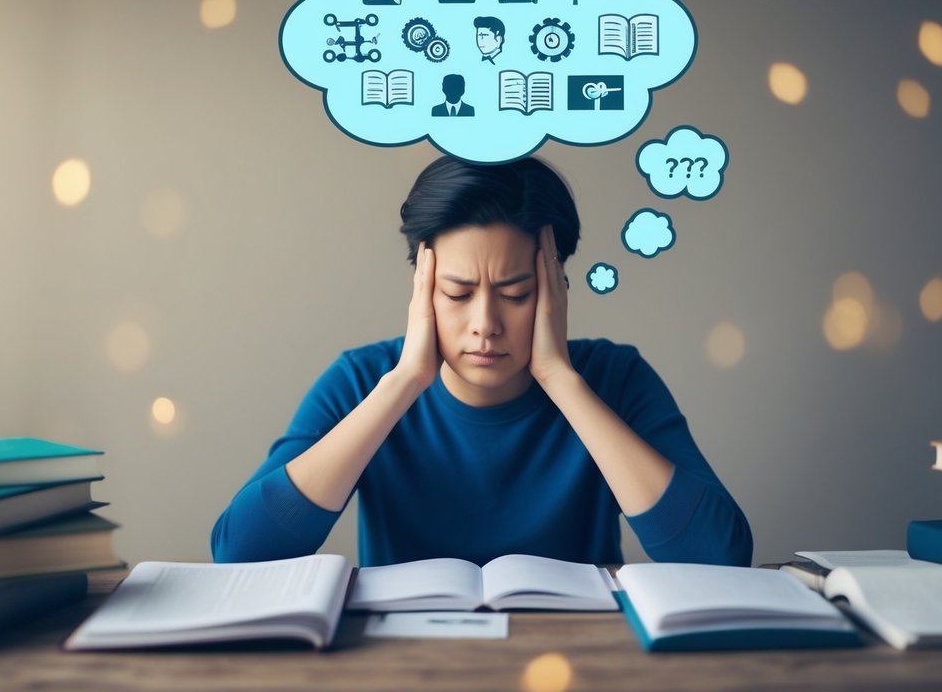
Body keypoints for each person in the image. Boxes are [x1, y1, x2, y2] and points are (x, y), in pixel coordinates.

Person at [211, 156, 752, 568]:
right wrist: (403, 385)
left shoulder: (615, 378)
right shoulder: (361, 381)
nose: (485, 323)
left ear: (556, 287)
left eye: (516, 293)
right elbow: (239, 551)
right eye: (457, 292)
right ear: (422, 288)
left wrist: (562, 381)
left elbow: (721, 556)